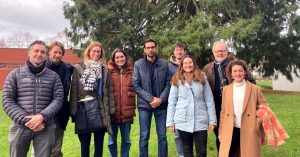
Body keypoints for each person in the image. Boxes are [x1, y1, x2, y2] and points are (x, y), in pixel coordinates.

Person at [2, 40, 64, 157]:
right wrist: (28, 121)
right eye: (36, 51)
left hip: (45, 127)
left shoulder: (54, 76)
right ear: (29, 53)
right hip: (20, 127)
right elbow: (7, 100)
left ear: (46, 55)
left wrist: (42, 117)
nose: (39, 54)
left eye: (43, 52)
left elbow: (58, 99)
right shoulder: (15, 74)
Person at [202, 41, 256, 152]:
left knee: (238, 136)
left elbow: (251, 82)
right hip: (217, 108)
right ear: (213, 53)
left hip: (236, 107)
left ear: (227, 51)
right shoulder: (207, 68)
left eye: (222, 51)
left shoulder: (237, 64)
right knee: (221, 137)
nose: (220, 53)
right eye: (217, 51)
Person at [70, 41, 115, 157]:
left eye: (99, 51)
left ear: (101, 54)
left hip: (101, 110)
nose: (96, 53)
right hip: (83, 111)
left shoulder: (105, 69)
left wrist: (111, 111)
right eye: (94, 51)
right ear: (89, 52)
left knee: (99, 146)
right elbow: (74, 91)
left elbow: (109, 91)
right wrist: (73, 112)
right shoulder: (79, 68)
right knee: (84, 146)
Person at [166, 55, 216, 157]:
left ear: (194, 64)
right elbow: (172, 102)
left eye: (190, 63)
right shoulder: (176, 79)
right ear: (182, 65)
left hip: (200, 119)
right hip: (182, 119)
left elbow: (209, 100)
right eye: (185, 63)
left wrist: (212, 120)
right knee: (187, 150)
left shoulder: (202, 77)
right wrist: (170, 122)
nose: (188, 65)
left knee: (201, 151)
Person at [218, 60, 266, 157]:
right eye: (234, 71)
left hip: (249, 129)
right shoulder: (226, 90)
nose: (237, 73)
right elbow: (223, 112)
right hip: (230, 129)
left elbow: (264, 108)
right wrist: (221, 131)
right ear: (231, 74)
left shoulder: (255, 89)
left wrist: (256, 123)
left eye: (240, 71)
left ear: (245, 72)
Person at [132, 38, 171, 157]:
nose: (150, 50)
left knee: (162, 136)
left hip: (161, 106)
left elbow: (169, 83)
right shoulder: (138, 64)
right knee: (144, 136)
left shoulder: (164, 64)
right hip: (145, 106)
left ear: (156, 48)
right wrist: (151, 99)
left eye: (152, 47)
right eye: (148, 48)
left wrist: (161, 99)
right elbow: (136, 85)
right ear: (144, 50)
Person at [46, 41, 74, 157]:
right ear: (49, 53)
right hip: (44, 111)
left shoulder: (68, 68)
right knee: (41, 147)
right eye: (55, 52)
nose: (57, 55)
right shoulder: (41, 67)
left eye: (60, 52)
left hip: (60, 112)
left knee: (56, 149)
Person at [107, 48, 136, 157]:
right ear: (113, 59)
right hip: (112, 113)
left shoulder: (132, 71)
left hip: (127, 113)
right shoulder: (107, 71)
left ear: (125, 57)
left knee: (127, 140)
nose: (120, 59)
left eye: (122, 57)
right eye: (117, 57)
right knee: (111, 141)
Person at [168, 42, 186, 157]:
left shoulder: (189, 63)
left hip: (187, 101)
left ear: (184, 52)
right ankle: (181, 154)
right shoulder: (168, 66)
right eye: (177, 50)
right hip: (174, 101)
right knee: (177, 132)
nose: (179, 52)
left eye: (181, 50)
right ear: (174, 52)